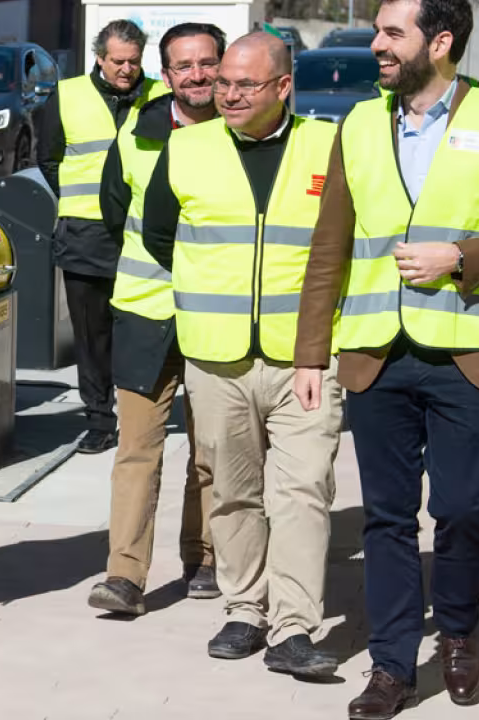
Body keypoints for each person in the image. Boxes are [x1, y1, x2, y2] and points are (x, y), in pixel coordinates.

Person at [291, 1, 479, 716]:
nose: (377, 45)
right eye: (379, 32)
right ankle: (390, 669)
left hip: (471, 355)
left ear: (439, 42)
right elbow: (331, 246)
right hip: (377, 355)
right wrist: (310, 353)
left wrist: (463, 257)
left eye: (392, 33)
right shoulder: (356, 124)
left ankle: (458, 635)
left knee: (463, 507)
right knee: (386, 517)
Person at [142, 32, 343, 679]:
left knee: (303, 491)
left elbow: (347, 247)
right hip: (215, 358)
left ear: (283, 87)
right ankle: (244, 609)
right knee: (231, 492)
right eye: (223, 81)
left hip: (305, 359)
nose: (225, 92)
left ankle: (292, 627)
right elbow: (156, 235)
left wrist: (320, 345)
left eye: (243, 84)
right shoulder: (185, 147)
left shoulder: (327, 146)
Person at [87, 22, 227, 617]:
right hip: (146, 316)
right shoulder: (136, 136)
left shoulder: (245, 134)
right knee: (137, 449)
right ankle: (124, 576)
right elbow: (117, 214)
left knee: (214, 448)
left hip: (220, 319)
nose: (196, 75)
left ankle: (204, 556)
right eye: (183, 66)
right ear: (164, 75)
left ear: (222, 66)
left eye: (207, 63)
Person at [36, 19, 167, 454]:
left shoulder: (160, 97)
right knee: (91, 335)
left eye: (133, 61)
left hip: (142, 232)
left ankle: (140, 413)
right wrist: (80, 203)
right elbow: (49, 158)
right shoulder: (68, 95)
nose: (127, 69)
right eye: (118, 62)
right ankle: (98, 419)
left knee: (137, 329)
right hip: (85, 232)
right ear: (99, 57)